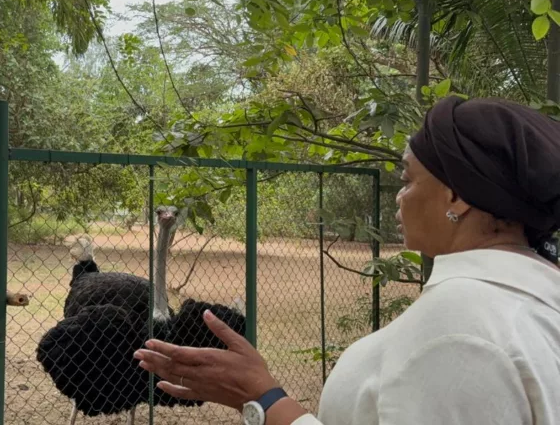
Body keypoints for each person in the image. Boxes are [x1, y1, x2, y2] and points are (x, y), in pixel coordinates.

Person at [133, 96, 560, 425]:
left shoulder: (459, 333)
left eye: (408, 180)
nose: (399, 195)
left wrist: (264, 399)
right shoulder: (537, 299)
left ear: (458, 196)